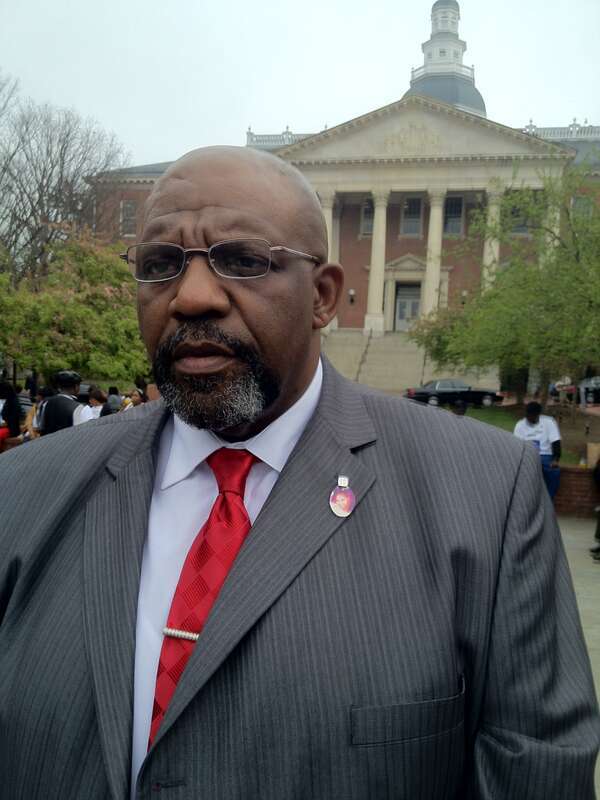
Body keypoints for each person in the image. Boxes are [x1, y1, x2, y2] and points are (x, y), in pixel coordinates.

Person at [0, 146, 598, 800]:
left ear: (324, 296)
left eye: (243, 260)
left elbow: (535, 769)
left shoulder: (486, 495)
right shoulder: (23, 492)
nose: (192, 296)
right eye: (161, 264)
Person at [513, 401, 562, 499]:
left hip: (545, 455)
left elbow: (556, 441)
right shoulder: (520, 425)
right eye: (529, 416)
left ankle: (549, 499)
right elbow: (516, 445)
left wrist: (555, 459)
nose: (531, 418)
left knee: (554, 472)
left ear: (538, 415)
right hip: (527, 455)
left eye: (533, 416)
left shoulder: (549, 422)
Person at [39, 370, 91, 435]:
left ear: (58, 387)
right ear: (76, 387)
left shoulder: (46, 403)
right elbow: (87, 434)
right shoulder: (82, 408)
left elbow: (41, 428)